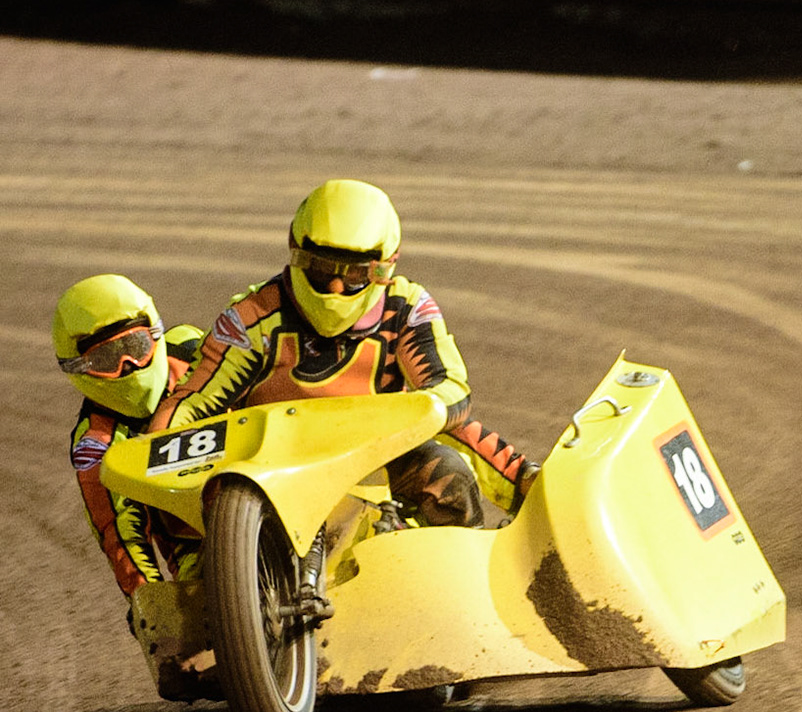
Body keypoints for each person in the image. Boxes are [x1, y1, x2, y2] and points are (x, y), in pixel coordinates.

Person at [150, 179, 536, 526]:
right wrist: (155, 460)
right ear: (296, 251)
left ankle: (516, 497)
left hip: (374, 456)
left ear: (384, 267)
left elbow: (449, 387)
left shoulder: (407, 306)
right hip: (267, 469)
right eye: (321, 268)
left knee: (449, 467)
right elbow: (190, 403)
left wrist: (412, 413)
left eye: (353, 273)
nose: (335, 287)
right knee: (191, 508)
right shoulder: (251, 318)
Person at [56, 275, 206, 602]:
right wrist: (150, 603)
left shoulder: (194, 349)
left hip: (270, 483)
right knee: (196, 603)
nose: (128, 367)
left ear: (155, 332)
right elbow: (121, 535)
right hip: (197, 546)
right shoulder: (96, 443)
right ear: (78, 368)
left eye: (136, 347)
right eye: (105, 360)